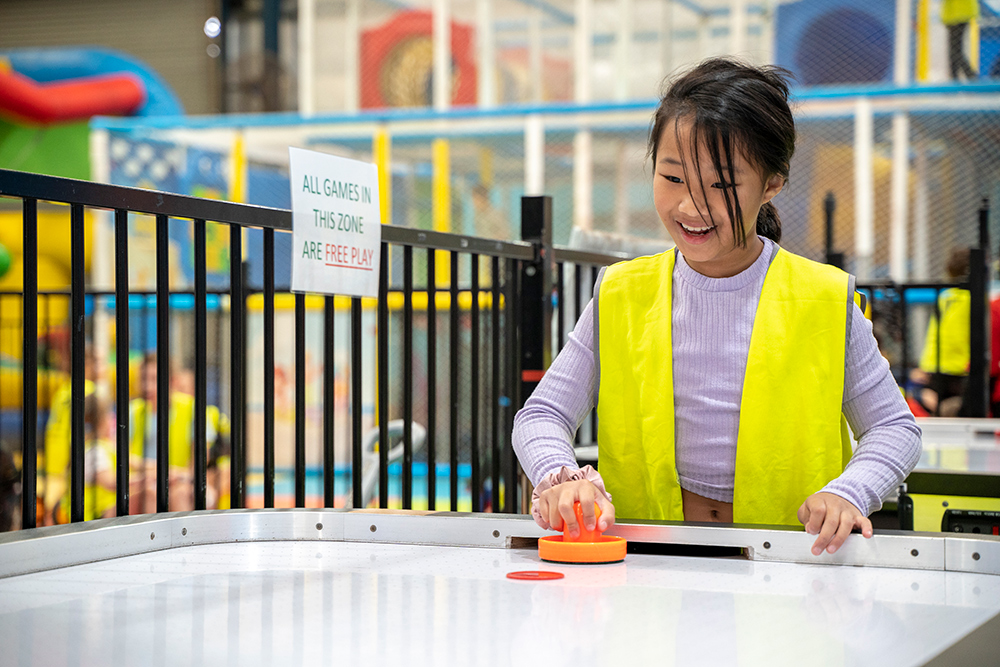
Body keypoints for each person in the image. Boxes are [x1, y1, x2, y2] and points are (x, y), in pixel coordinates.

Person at [513, 58, 922, 557]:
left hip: (788, 563)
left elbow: (893, 428)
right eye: (673, 178)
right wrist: (560, 476)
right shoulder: (620, 293)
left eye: (722, 185)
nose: (692, 207)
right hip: (650, 562)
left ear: (771, 184)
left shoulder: (824, 298)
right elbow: (543, 414)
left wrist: (847, 492)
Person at [909, 249, 970, 417]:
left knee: (940, 410)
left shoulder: (945, 296)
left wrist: (926, 364)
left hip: (939, 365)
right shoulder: (971, 298)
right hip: (961, 367)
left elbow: (934, 334)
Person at [942, 0, 978, 81]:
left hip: (958, 14)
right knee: (954, 49)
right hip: (956, 14)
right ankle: (955, 77)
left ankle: (970, 75)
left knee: (954, 50)